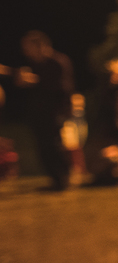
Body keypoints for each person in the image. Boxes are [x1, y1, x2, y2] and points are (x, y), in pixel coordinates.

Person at [15, 31, 74, 191]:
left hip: (54, 111)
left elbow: (62, 88)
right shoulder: (35, 64)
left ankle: (63, 179)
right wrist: (23, 81)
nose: (26, 52)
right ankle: (54, 179)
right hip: (38, 112)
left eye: (28, 47)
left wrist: (34, 81)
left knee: (54, 145)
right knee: (43, 146)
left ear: (40, 45)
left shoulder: (58, 62)